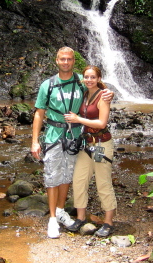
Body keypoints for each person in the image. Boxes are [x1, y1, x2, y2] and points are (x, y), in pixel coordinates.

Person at [31, 47, 113, 239]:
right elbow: (39, 113)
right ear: (56, 61)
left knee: (67, 176)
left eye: (69, 59)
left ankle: (60, 210)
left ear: (74, 61)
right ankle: (52, 219)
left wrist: (110, 94)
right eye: (62, 59)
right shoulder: (48, 85)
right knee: (52, 176)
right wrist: (35, 141)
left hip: (76, 137)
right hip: (53, 136)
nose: (66, 62)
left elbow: (97, 91)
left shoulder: (81, 81)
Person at [63, 65, 117, 237]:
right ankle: (80, 217)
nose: (89, 80)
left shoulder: (103, 96)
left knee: (103, 183)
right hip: (86, 145)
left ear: (99, 79)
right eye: (86, 77)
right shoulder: (84, 94)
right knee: (79, 180)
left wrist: (78, 119)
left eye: (93, 77)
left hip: (102, 143)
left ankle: (108, 222)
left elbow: (102, 123)